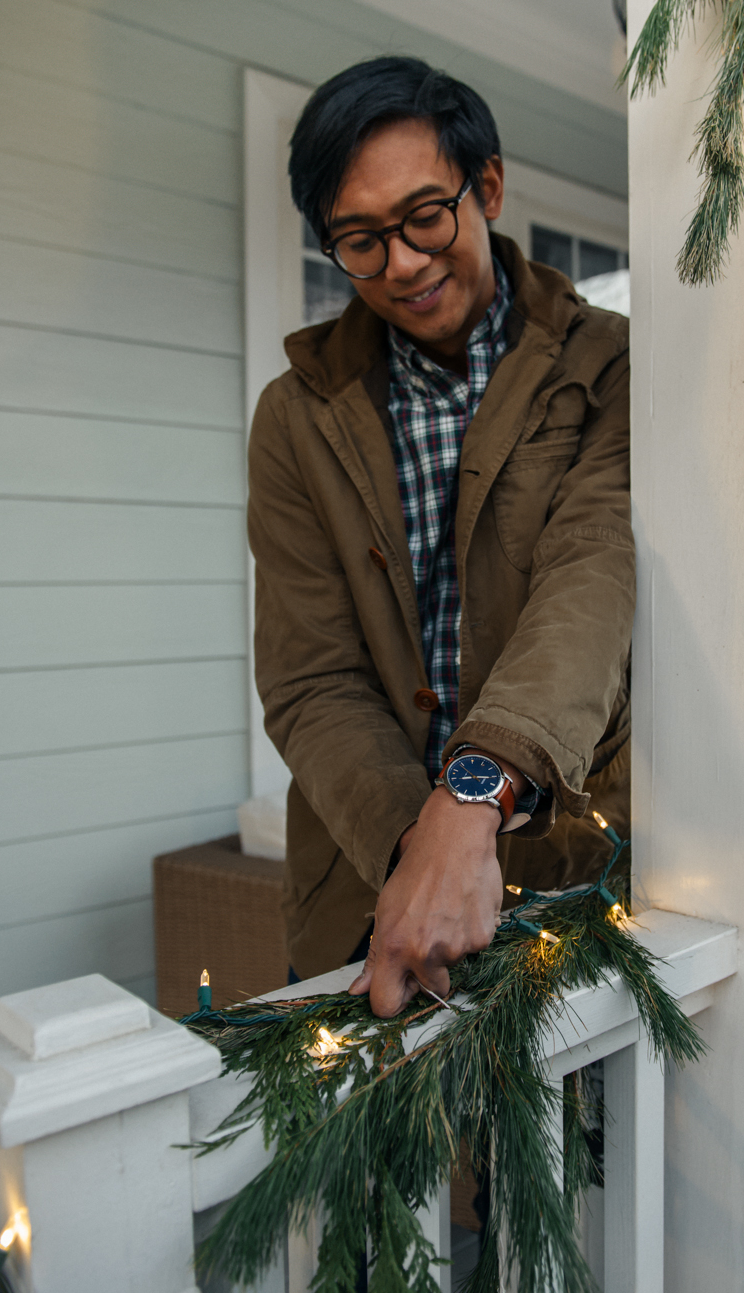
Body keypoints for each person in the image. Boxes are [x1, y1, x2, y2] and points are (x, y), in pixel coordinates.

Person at [248, 56, 633, 1019]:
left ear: (486, 187)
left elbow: (593, 576)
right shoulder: (295, 418)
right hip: (361, 891)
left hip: (573, 876)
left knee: (557, 1168)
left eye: (426, 217)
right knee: (372, 1166)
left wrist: (474, 800)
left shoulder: (612, 364)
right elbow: (311, 679)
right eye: (362, 241)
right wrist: (416, 853)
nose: (404, 265)